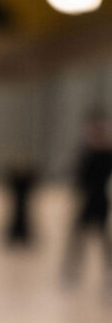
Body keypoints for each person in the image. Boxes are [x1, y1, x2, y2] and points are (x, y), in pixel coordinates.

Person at [62, 109, 112, 290]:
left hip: (99, 199)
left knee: (102, 240)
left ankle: (107, 272)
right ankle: (71, 271)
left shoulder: (105, 153)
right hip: (88, 199)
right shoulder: (87, 151)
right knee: (78, 239)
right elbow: (78, 175)